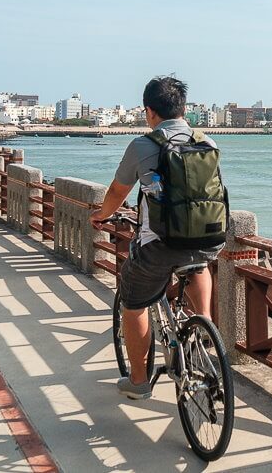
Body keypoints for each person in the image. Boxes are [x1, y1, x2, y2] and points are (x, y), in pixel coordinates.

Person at [90, 76, 222, 400]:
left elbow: (117, 191)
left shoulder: (142, 146)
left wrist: (102, 215)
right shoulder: (207, 144)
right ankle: (202, 327)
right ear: (185, 109)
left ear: (149, 112)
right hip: (207, 239)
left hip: (159, 245)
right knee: (198, 266)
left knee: (133, 303)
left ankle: (138, 381)